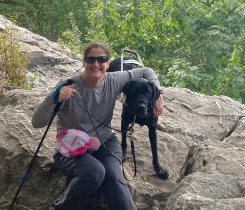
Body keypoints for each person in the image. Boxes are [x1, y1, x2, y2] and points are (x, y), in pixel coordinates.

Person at [32, 42, 164, 210]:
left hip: (105, 142)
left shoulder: (114, 80)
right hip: (71, 146)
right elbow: (36, 122)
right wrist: (55, 97)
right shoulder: (68, 85)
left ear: (108, 63)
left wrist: (159, 94)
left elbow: (147, 71)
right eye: (91, 59)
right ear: (84, 62)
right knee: (95, 173)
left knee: (114, 177)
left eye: (102, 59)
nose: (96, 64)